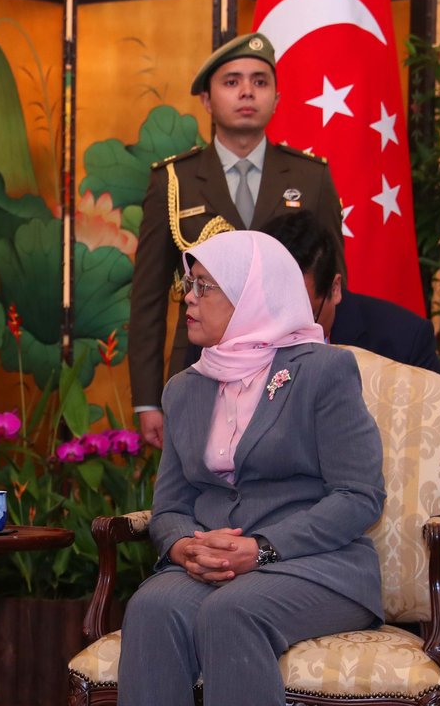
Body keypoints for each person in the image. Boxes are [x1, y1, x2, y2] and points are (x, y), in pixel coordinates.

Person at [116, 230, 385, 706]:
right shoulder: (184, 388)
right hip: (216, 565)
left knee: (231, 613)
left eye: (204, 286)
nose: (189, 298)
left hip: (314, 565)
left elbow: (359, 496)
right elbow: (171, 506)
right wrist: (185, 547)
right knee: (151, 607)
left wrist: (260, 549)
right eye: (189, 285)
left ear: (251, 295)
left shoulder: (322, 371)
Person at [128, 32, 344, 449]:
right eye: (232, 82)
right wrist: (147, 400)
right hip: (197, 366)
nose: (247, 91)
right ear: (207, 100)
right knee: (200, 475)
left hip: (291, 367)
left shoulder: (311, 177)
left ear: (277, 98)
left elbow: (331, 285)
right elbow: (148, 299)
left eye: (260, 82)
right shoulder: (174, 179)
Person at [262, 210, 440, 375]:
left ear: (334, 289)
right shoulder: (247, 333)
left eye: (305, 318)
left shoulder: (405, 341)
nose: (289, 333)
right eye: (276, 314)